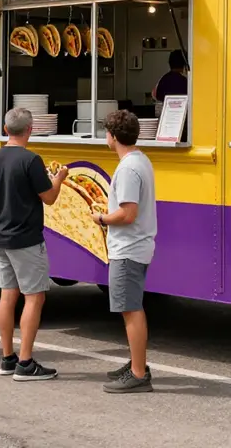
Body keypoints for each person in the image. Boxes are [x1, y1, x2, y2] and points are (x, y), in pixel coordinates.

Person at [0, 107, 67, 381]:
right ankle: (26, 362)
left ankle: (7, 357)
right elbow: (49, 197)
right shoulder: (31, 160)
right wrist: (59, 179)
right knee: (35, 297)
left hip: (0, 237)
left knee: (8, 295)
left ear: (6, 130)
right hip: (26, 239)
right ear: (30, 129)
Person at [92, 109, 157, 393]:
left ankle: (139, 373)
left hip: (128, 248)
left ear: (114, 136)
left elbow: (128, 213)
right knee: (130, 308)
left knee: (131, 309)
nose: (105, 136)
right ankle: (135, 363)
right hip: (135, 246)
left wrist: (102, 219)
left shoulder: (128, 168)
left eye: (106, 132)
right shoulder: (140, 161)